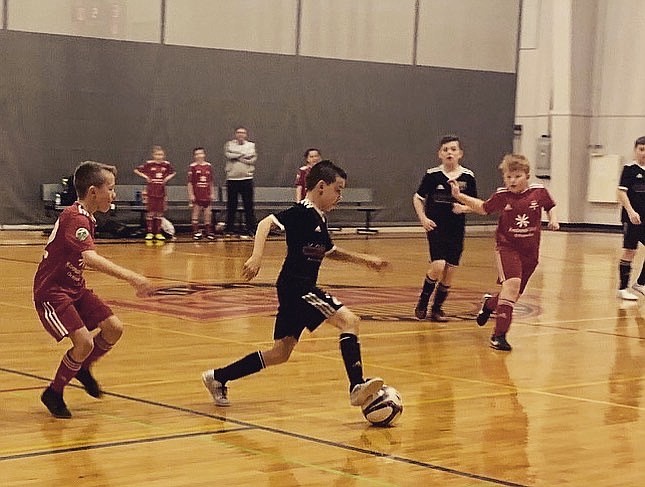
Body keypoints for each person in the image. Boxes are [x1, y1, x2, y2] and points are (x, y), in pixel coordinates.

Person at [202, 160, 388, 408]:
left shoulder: (319, 219)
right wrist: (257, 256)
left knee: (280, 353)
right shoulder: (302, 212)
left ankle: (218, 377)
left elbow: (329, 251)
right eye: (338, 189)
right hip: (298, 287)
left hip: (292, 289)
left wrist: (365, 261)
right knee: (350, 321)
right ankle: (356, 385)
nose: (340, 196)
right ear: (321, 186)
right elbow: (265, 223)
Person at [34, 161, 153, 418]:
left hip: (74, 287)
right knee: (84, 342)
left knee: (114, 328)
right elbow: (90, 258)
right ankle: (53, 392)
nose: (114, 194)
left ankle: (82, 367)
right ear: (93, 192)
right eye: (110, 188)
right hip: (52, 291)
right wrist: (132, 277)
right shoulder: (75, 218)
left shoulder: (86, 216)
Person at [450, 154, 559, 351]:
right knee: (512, 285)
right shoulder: (502, 196)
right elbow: (483, 208)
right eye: (508, 177)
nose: (512, 181)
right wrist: (460, 196)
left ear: (527, 176)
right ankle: (499, 335)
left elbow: (550, 206)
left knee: (513, 295)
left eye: (516, 176)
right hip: (507, 247)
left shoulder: (538, 192)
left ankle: (489, 303)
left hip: (530, 252)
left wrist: (553, 219)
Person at [412, 135, 477, 322]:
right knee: (438, 264)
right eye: (446, 149)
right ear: (440, 154)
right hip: (436, 227)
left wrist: (463, 207)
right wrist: (423, 218)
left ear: (460, 154)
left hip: (456, 229)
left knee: (450, 271)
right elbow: (418, 197)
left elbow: (475, 203)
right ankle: (423, 302)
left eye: (453, 149)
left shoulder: (467, 177)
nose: (450, 152)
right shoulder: (432, 175)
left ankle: (437, 309)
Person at [616, 136, 645, 300]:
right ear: (635, 150)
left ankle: (640, 283)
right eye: (641, 149)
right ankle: (622, 288)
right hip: (632, 218)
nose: (644, 153)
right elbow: (621, 192)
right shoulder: (629, 170)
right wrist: (631, 211)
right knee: (630, 251)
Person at [134, 145, 176, 241]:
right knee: (151, 213)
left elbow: (173, 172)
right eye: (157, 154)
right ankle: (149, 232)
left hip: (161, 192)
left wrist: (167, 178)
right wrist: (146, 177)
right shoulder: (149, 164)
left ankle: (158, 233)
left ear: (164, 155)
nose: (159, 156)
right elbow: (136, 170)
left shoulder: (166, 165)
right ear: (153, 155)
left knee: (159, 213)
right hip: (151, 191)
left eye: (161, 154)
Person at [224, 127, 257, 236]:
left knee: (248, 205)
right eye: (238, 133)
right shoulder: (229, 144)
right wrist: (242, 155)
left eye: (243, 133)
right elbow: (229, 155)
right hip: (232, 179)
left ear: (246, 135)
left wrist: (237, 155)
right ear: (235, 134)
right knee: (231, 205)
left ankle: (250, 229)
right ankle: (229, 229)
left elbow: (252, 158)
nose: (240, 135)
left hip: (246, 179)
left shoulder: (251, 145)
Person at [187, 147, 216, 240]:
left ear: (204, 154)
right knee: (196, 212)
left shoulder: (208, 166)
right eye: (197, 154)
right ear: (194, 156)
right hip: (197, 194)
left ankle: (208, 232)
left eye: (201, 153)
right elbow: (190, 182)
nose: (199, 156)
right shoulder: (193, 167)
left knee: (208, 213)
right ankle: (196, 231)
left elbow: (210, 181)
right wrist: (191, 194)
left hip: (206, 194)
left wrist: (212, 193)